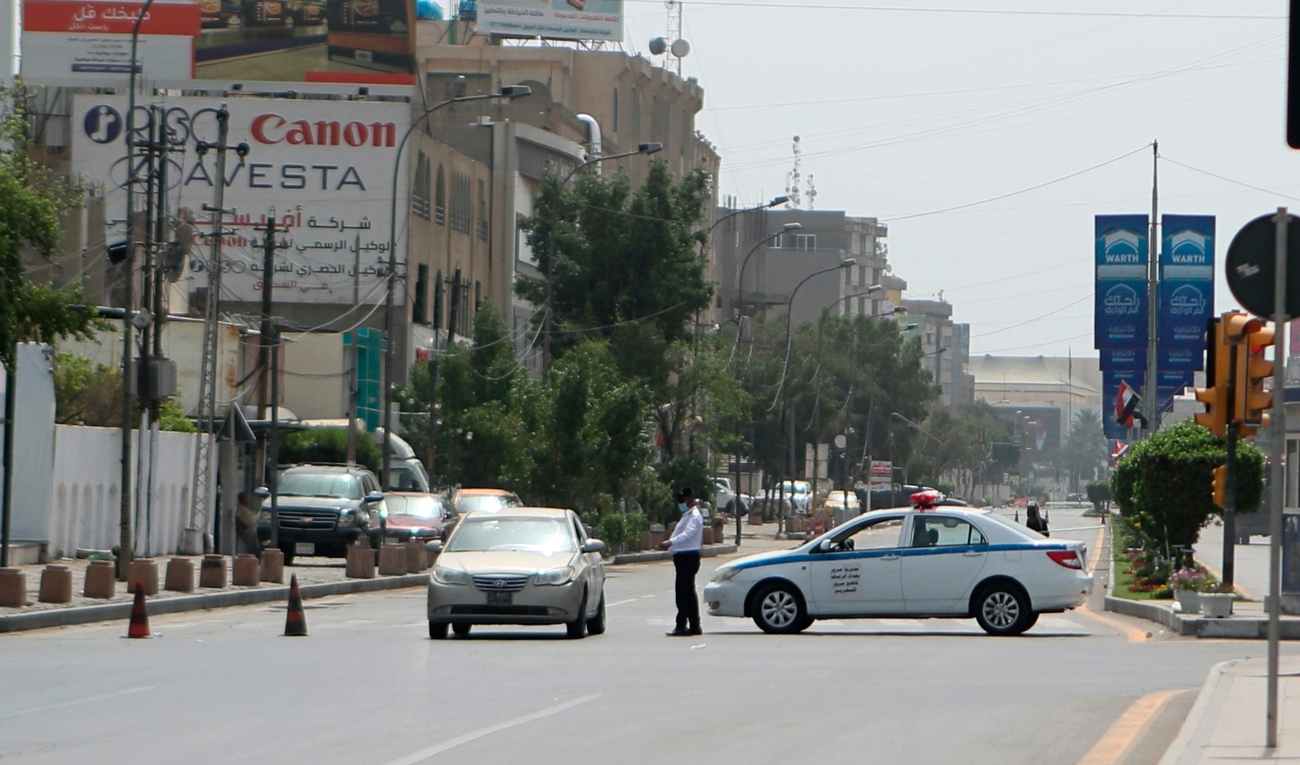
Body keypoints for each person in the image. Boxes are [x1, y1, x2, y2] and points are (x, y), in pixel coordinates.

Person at [659, 486, 703, 637]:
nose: (680, 503)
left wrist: (670, 542)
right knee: (687, 592)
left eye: (682, 500)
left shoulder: (694, 516)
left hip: (688, 557)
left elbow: (688, 534)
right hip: (683, 557)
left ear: (690, 499)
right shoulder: (687, 515)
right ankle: (694, 625)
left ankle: (683, 624)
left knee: (683, 593)